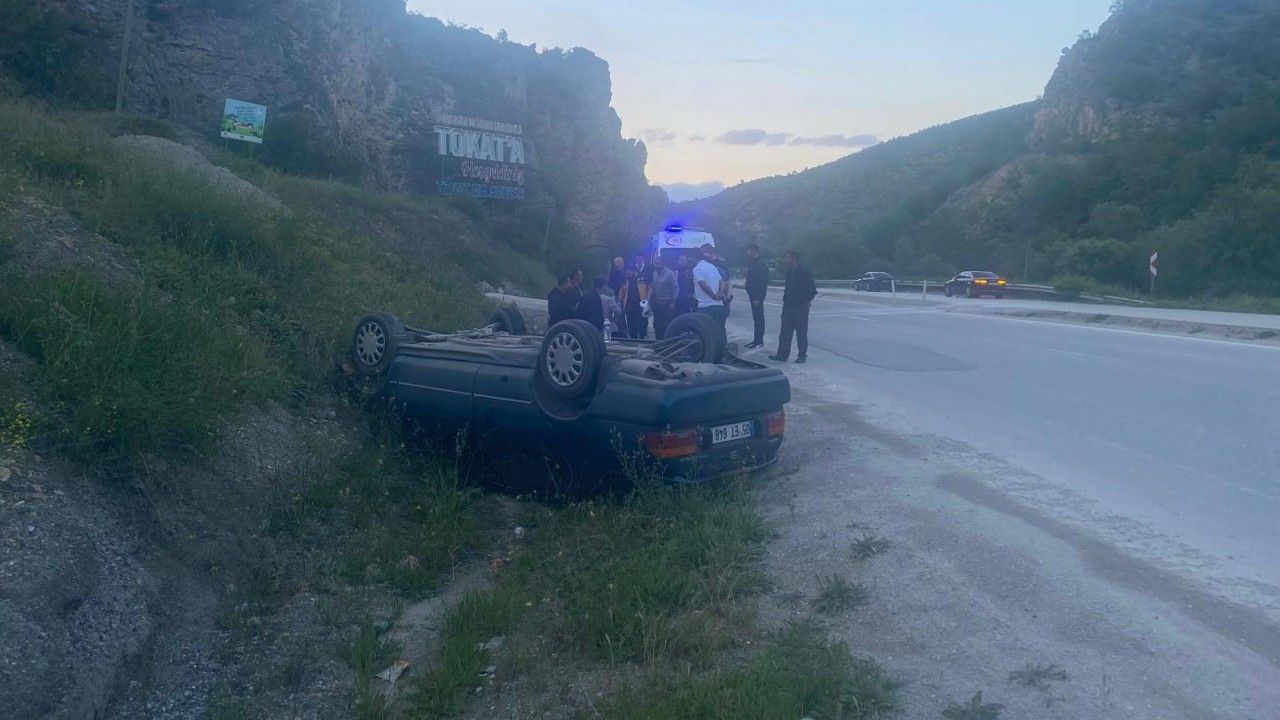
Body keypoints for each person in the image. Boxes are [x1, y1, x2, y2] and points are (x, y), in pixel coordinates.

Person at [770, 251, 817, 364]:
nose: (787, 261)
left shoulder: (804, 272)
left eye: (788, 258)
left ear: (794, 259)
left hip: (800, 307)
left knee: (801, 333)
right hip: (788, 306)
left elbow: (813, 290)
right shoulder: (789, 272)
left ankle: (802, 356)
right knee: (785, 333)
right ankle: (782, 354)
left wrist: (805, 301)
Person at [692, 243, 729, 327]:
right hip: (719, 306)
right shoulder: (711, 266)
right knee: (720, 330)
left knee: (706, 331)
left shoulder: (697, 269)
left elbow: (703, 284)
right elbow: (722, 282)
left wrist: (713, 295)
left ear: (693, 258)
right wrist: (720, 293)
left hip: (705, 307)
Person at [619, 254, 651, 339]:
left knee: (642, 327)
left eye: (630, 271)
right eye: (626, 271)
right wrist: (620, 301)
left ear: (633, 271)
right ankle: (633, 342)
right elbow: (621, 293)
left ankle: (642, 341)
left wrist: (648, 300)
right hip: (629, 308)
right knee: (632, 328)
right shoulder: (624, 281)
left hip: (641, 307)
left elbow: (649, 288)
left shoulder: (641, 278)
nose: (628, 272)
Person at [744, 243, 769, 348]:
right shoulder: (753, 263)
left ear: (753, 250)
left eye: (748, 250)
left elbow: (762, 283)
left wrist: (758, 297)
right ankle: (756, 340)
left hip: (756, 297)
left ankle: (759, 341)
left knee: (759, 318)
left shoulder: (761, 264)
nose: (747, 253)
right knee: (756, 318)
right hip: (752, 295)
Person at [649, 254, 678, 339]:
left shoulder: (669, 274)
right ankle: (658, 343)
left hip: (667, 305)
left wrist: (673, 302)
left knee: (666, 326)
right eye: (655, 263)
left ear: (663, 264)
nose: (656, 265)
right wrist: (649, 299)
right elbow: (653, 287)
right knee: (657, 326)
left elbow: (676, 288)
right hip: (657, 305)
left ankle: (667, 343)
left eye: (658, 263)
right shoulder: (655, 273)